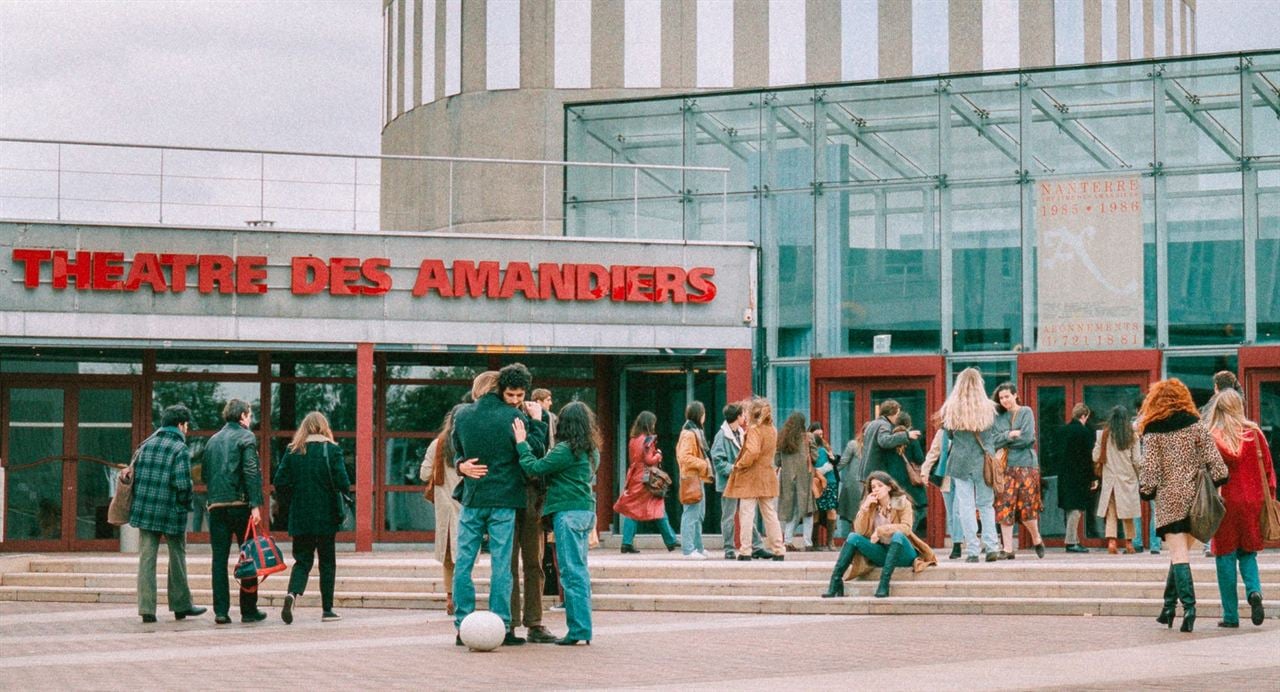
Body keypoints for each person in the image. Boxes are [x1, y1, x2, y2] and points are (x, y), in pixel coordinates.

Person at [452, 366, 545, 647]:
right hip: (505, 499)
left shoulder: (462, 414)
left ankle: (462, 625)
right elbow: (535, 450)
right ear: (499, 389)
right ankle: (502, 625)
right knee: (501, 566)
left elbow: (456, 450)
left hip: (473, 497)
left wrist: (461, 465)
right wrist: (538, 422)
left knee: (464, 563)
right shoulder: (513, 416)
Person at [1138, 378, 1229, 633]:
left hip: (1169, 499)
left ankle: (1189, 608)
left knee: (1178, 555)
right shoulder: (1196, 424)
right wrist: (1220, 480)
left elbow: (1150, 468)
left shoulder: (1153, 429)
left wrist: (1146, 491)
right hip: (1195, 497)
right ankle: (1168, 608)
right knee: (1180, 554)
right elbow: (1215, 460)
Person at [515, 401, 600, 645]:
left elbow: (535, 467)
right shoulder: (592, 450)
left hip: (568, 514)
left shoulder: (566, 449)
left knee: (571, 574)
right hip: (586, 513)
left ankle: (578, 631)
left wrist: (522, 443)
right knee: (580, 572)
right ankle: (583, 628)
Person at [491, 364, 554, 643]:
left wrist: (538, 421)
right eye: (510, 395)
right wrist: (538, 424)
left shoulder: (533, 414)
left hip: (530, 497)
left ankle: (534, 622)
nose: (515, 400)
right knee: (507, 564)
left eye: (519, 395)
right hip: (508, 496)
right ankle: (510, 622)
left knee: (533, 561)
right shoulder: (499, 417)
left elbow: (540, 455)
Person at [1204, 389, 1275, 628]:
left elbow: (1208, 473)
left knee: (1225, 557)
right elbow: (1268, 471)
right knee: (1248, 553)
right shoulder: (1255, 434)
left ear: (1219, 410)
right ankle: (1255, 592)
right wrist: (1268, 499)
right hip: (1253, 501)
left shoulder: (1213, 436)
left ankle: (1231, 616)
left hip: (1225, 503)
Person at [131, 404, 206, 624]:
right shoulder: (179, 448)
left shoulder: (146, 445)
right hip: (171, 511)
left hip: (145, 510)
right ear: (181, 424)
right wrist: (186, 505)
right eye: (186, 425)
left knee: (146, 559)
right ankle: (181, 605)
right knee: (177, 558)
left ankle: (147, 609)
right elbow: (183, 484)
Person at [273, 411, 350, 624]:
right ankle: (327, 610)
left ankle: (292, 594)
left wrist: (290, 502)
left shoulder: (293, 451)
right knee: (327, 562)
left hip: (301, 515)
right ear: (324, 427)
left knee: (302, 560)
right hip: (326, 516)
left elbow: (279, 481)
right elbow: (343, 482)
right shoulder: (332, 450)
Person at [821, 471, 937, 598]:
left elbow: (906, 528)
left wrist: (881, 530)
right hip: (882, 553)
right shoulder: (871, 506)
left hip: (904, 553)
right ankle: (835, 581)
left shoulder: (900, 502)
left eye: (880, 486)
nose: (876, 489)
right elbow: (860, 531)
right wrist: (864, 508)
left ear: (889, 487)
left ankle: (884, 584)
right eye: (873, 487)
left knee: (898, 535)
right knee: (853, 537)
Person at [202, 399, 267, 625]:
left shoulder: (211, 441)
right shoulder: (246, 437)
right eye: (249, 415)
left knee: (218, 560)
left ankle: (221, 611)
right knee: (248, 556)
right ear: (241, 416)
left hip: (216, 507)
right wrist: (256, 504)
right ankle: (248, 610)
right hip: (240, 506)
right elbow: (250, 472)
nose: (250, 419)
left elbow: (204, 476)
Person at [938, 367, 1001, 562]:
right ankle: (991, 547)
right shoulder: (989, 407)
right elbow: (993, 436)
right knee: (986, 504)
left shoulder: (950, 408)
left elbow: (948, 435)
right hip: (983, 460)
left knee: (965, 505)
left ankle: (972, 550)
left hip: (960, 460)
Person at [724, 397, 785, 560]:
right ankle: (779, 549)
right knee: (770, 513)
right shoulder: (772, 429)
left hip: (751, 476)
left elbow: (752, 452)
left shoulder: (754, 430)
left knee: (746, 513)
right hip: (767, 474)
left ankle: (746, 550)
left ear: (752, 413)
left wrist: (739, 465)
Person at [991, 383, 1046, 559]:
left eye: (1007, 396)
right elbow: (992, 441)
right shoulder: (998, 417)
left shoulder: (1026, 412)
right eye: (1001, 397)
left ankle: (1036, 538)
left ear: (1015, 395)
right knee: (1004, 506)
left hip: (1026, 465)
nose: (1004, 400)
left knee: (1027, 506)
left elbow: (1028, 438)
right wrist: (1010, 435)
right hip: (1005, 467)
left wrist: (1007, 438)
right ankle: (1007, 549)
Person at [420, 404, 465, 616]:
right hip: (466, 503)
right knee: (464, 554)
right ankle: (463, 595)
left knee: (448, 557)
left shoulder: (437, 444)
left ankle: (450, 597)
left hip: (444, 506)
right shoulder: (469, 442)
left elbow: (423, 474)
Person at [613, 411, 679, 553]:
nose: (654, 425)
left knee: (632, 510)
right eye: (653, 423)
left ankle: (627, 543)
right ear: (649, 424)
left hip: (635, 476)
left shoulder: (633, 439)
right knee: (658, 506)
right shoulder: (648, 439)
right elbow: (649, 460)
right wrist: (658, 455)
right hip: (648, 478)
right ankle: (671, 540)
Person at [711, 403, 764, 560]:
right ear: (737, 417)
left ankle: (757, 546)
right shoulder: (722, 436)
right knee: (729, 516)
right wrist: (734, 469)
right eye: (742, 415)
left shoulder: (740, 432)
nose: (745, 417)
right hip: (729, 483)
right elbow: (718, 461)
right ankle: (729, 548)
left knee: (746, 514)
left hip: (741, 481)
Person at [1093, 406, 1143, 555]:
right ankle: (1129, 544)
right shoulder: (1132, 436)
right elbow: (1137, 461)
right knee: (1128, 513)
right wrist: (1141, 477)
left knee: (1111, 513)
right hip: (1127, 478)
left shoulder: (1104, 435)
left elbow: (1095, 456)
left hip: (1110, 480)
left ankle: (1112, 542)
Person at [921, 417, 963, 559]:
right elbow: (934, 452)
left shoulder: (967, 431)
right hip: (946, 477)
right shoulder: (942, 433)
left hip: (964, 476)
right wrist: (925, 471)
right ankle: (956, 542)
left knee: (958, 511)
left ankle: (958, 544)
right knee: (951, 512)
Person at [676, 401, 713, 559]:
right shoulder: (690, 434)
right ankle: (689, 549)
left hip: (696, 478)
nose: (705, 416)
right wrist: (704, 464)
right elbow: (684, 457)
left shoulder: (694, 431)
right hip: (691, 478)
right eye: (703, 413)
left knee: (698, 514)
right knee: (691, 514)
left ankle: (697, 547)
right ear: (699, 415)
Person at [776, 412, 817, 551]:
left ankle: (787, 541)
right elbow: (815, 457)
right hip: (804, 477)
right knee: (807, 510)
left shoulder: (782, 438)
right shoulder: (808, 437)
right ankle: (808, 543)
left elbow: (777, 461)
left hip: (787, 478)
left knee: (792, 510)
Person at [1058, 402, 1095, 554]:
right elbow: (1088, 457)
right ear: (1084, 416)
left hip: (1064, 474)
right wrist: (1093, 476)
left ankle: (1072, 539)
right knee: (1076, 509)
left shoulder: (1063, 431)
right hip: (1079, 475)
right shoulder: (1084, 432)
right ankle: (1071, 542)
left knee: (1069, 508)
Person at [892, 412, 928, 536]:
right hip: (910, 482)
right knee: (919, 510)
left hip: (895, 480)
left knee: (897, 511)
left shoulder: (891, 439)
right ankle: (907, 535)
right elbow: (919, 458)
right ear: (909, 424)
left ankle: (900, 535)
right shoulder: (912, 440)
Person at [808, 422, 839, 551]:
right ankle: (815, 542)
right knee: (816, 511)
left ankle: (830, 541)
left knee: (831, 509)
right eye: (817, 434)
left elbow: (834, 462)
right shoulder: (809, 449)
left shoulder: (826, 447)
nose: (820, 437)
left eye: (821, 434)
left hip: (830, 482)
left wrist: (832, 461)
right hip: (816, 483)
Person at [835, 435, 863, 539]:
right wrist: (830, 473)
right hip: (855, 484)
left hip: (870, 484)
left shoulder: (874, 446)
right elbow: (843, 462)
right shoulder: (854, 445)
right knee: (855, 514)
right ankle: (854, 541)